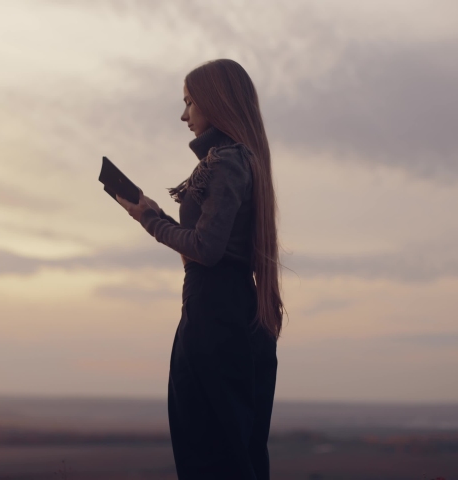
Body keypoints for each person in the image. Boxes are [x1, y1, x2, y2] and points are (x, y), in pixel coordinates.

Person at [116, 58, 283, 480]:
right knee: (235, 449)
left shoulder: (225, 161)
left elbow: (207, 250)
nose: (184, 115)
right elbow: (213, 246)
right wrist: (156, 215)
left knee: (209, 450)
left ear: (215, 102)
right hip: (228, 308)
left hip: (213, 312)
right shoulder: (244, 159)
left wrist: (149, 221)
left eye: (190, 102)